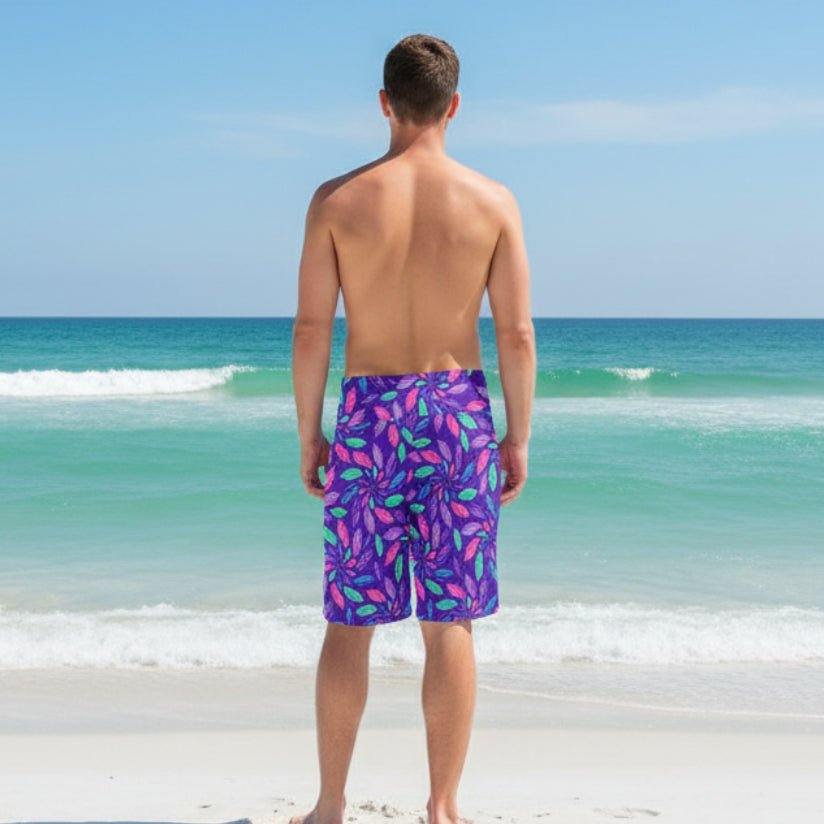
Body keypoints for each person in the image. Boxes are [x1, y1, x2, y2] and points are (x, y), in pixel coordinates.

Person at [290, 32, 536, 824]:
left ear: (384, 103)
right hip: (457, 415)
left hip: (369, 417)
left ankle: (330, 806)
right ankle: (443, 806)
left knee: (351, 620)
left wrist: (311, 433)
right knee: (449, 620)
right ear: (454, 106)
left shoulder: (337, 201)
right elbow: (517, 335)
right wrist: (517, 436)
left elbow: (310, 332)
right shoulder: (492, 202)